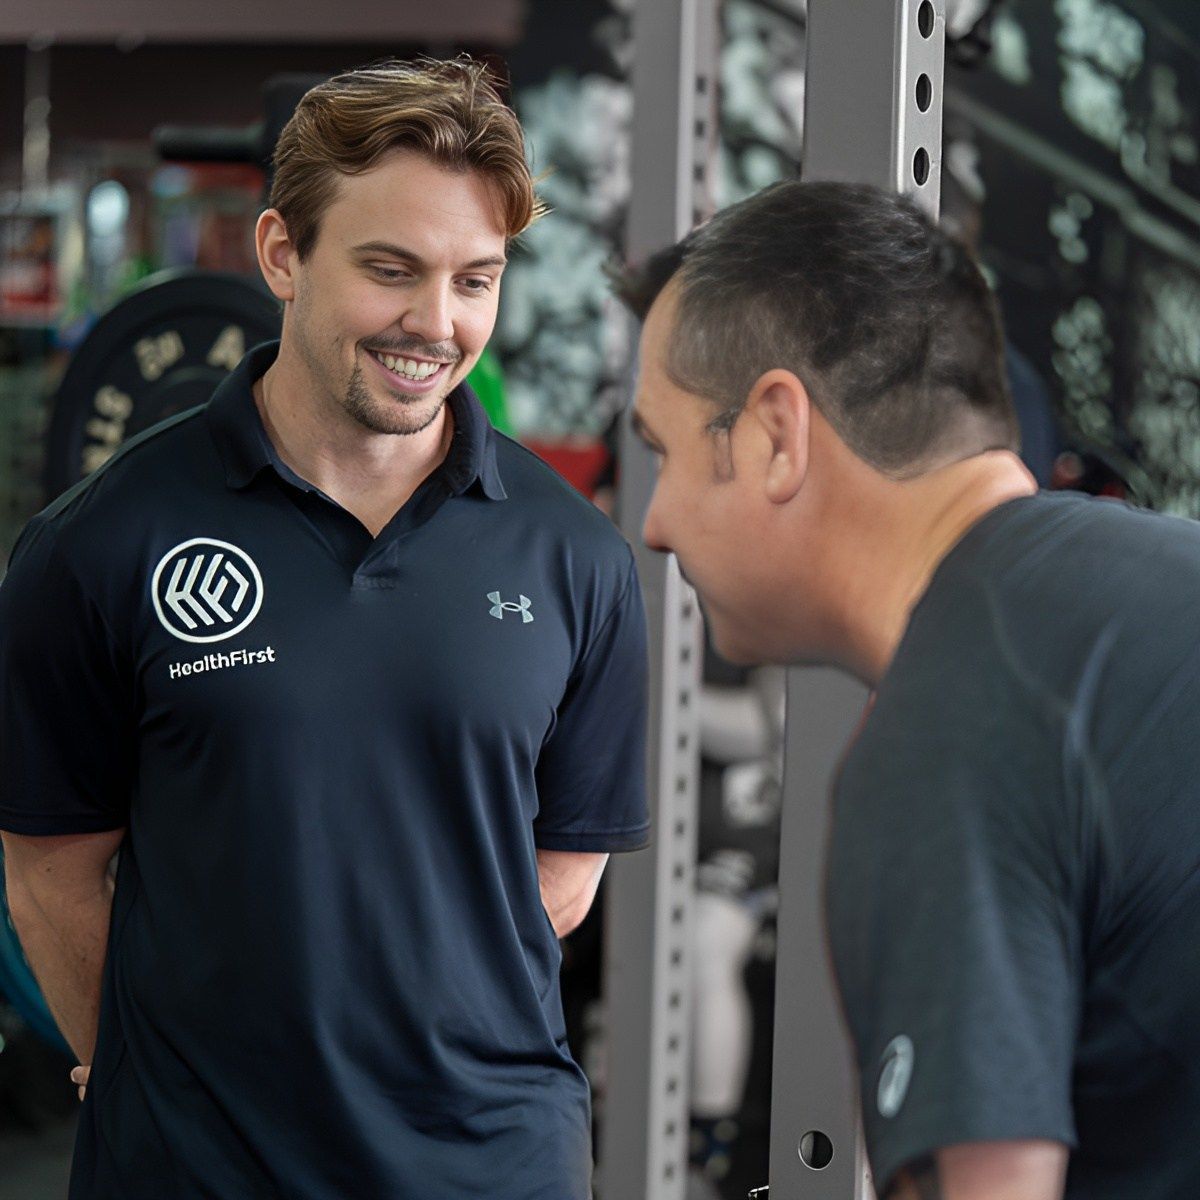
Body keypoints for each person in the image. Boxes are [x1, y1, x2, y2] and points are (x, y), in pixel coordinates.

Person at [0, 58, 649, 1200]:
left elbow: (559, 876)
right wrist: (154, 1068)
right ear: (282, 255)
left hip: (490, 1167)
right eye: (390, 270)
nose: (436, 324)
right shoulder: (97, 545)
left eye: (476, 280)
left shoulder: (574, 557)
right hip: (197, 1172)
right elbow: (53, 873)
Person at [618, 180, 1200, 1200]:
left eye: (662, 453)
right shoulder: (1157, 579)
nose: (655, 524)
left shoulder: (947, 734)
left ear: (774, 435)